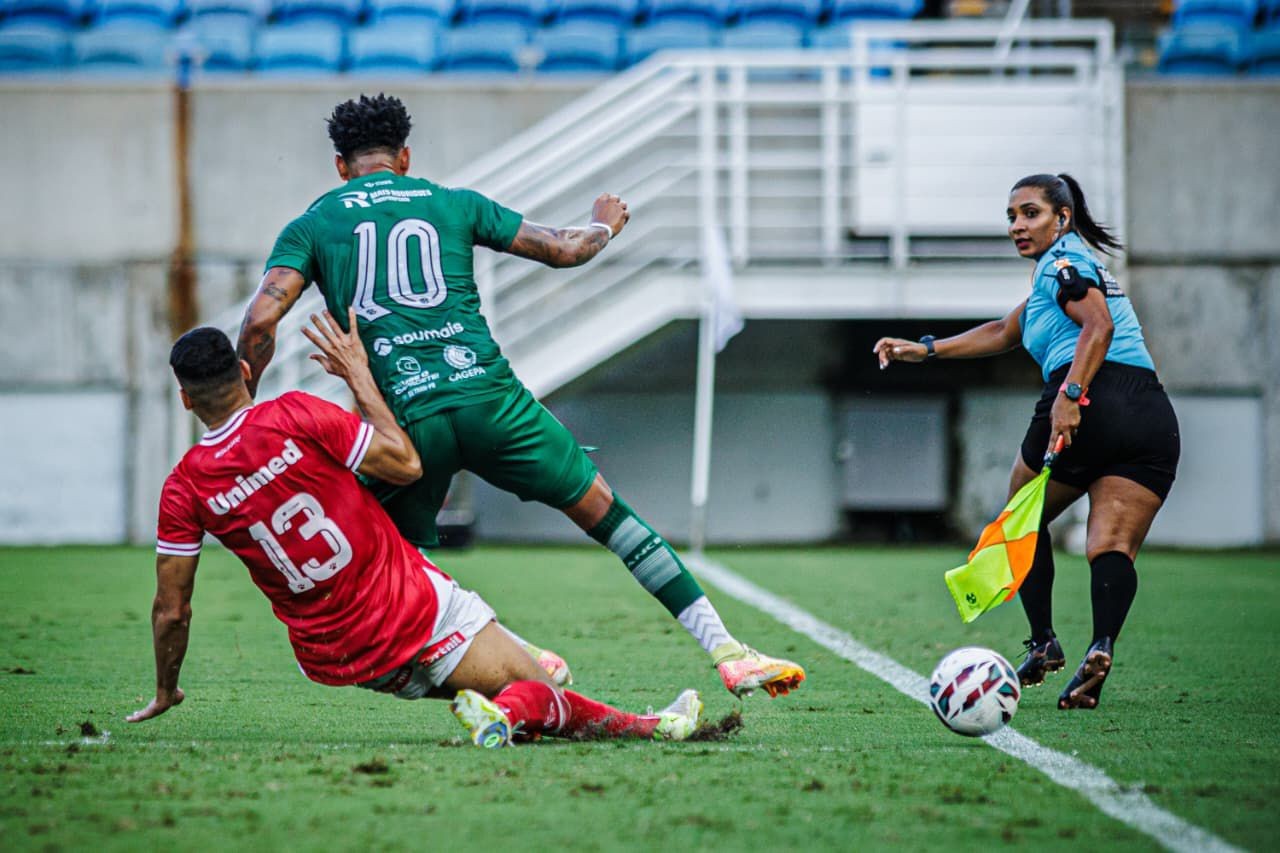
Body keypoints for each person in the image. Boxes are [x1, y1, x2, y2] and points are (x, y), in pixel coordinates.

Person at [235, 93, 804, 700]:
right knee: (609, 516)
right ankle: (727, 651)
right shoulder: (453, 203)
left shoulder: (315, 222)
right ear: (404, 156)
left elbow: (262, 321)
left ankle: (516, 650)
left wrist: (245, 406)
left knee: (387, 555)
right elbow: (565, 249)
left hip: (405, 422)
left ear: (341, 166)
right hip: (491, 399)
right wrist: (605, 221)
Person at [128, 315, 704, 747]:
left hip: (339, 655)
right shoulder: (295, 415)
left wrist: (165, 689)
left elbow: (171, 611)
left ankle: (509, 685)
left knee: (515, 673)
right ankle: (655, 727)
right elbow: (404, 464)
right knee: (541, 698)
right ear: (246, 371)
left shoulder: (184, 488)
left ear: (185, 399)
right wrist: (359, 375)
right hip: (413, 612)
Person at [873, 173, 1179, 710]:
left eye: (1031, 213)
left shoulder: (1064, 264)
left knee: (1021, 517)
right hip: (1148, 414)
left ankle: (1043, 644)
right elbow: (1001, 331)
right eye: (1011, 216)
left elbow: (1098, 327)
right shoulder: (1060, 274)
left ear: (1062, 219)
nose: (1017, 225)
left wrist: (1071, 396)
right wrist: (923, 349)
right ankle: (1100, 646)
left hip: (1088, 395)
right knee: (1110, 545)